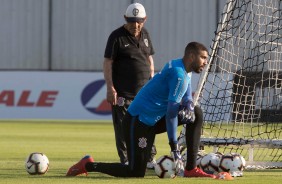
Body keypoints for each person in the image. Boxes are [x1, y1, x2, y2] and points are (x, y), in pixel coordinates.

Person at [66, 42, 216, 178]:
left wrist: (188, 102)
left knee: (195, 112)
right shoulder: (178, 75)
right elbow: (171, 115)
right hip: (137, 122)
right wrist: (174, 148)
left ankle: (191, 169)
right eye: (203, 57)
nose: (205, 62)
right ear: (191, 56)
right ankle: (88, 165)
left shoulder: (182, 67)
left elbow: (187, 89)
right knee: (135, 172)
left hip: (153, 119)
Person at [103, 3, 157, 168]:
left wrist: (152, 80)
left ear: (145, 19)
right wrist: (110, 87)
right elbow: (107, 62)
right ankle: (126, 159)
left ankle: (148, 157)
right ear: (125, 19)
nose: (136, 25)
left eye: (139, 21)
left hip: (144, 93)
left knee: (146, 126)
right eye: (132, 21)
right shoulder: (116, 37)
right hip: (122, 94)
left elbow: (149, 58)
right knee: (123, 126)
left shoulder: (146, 34)